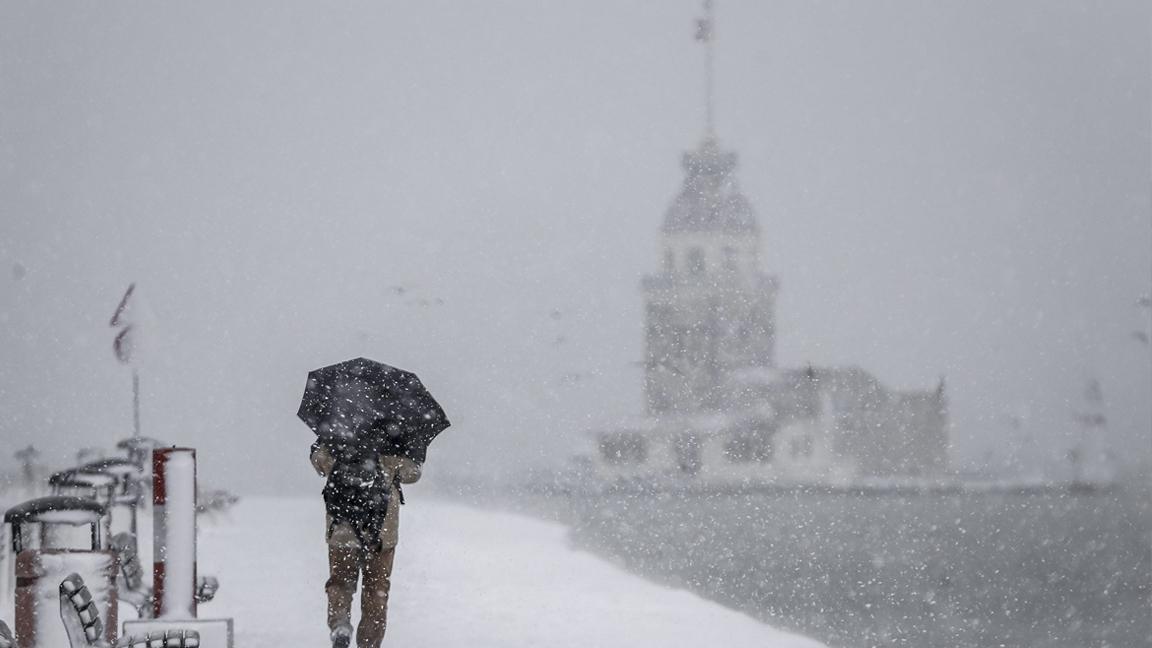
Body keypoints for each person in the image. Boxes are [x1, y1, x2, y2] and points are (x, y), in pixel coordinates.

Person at [311, 440, 422, 648]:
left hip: (343, 527)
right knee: (376, 589)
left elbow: (320, 462)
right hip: (382, 530)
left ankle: (340, 625)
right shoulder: (393, 433)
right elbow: (412, 474)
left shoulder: (338, 429)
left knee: (340, 582)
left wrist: (321, 447)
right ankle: (369, 643)